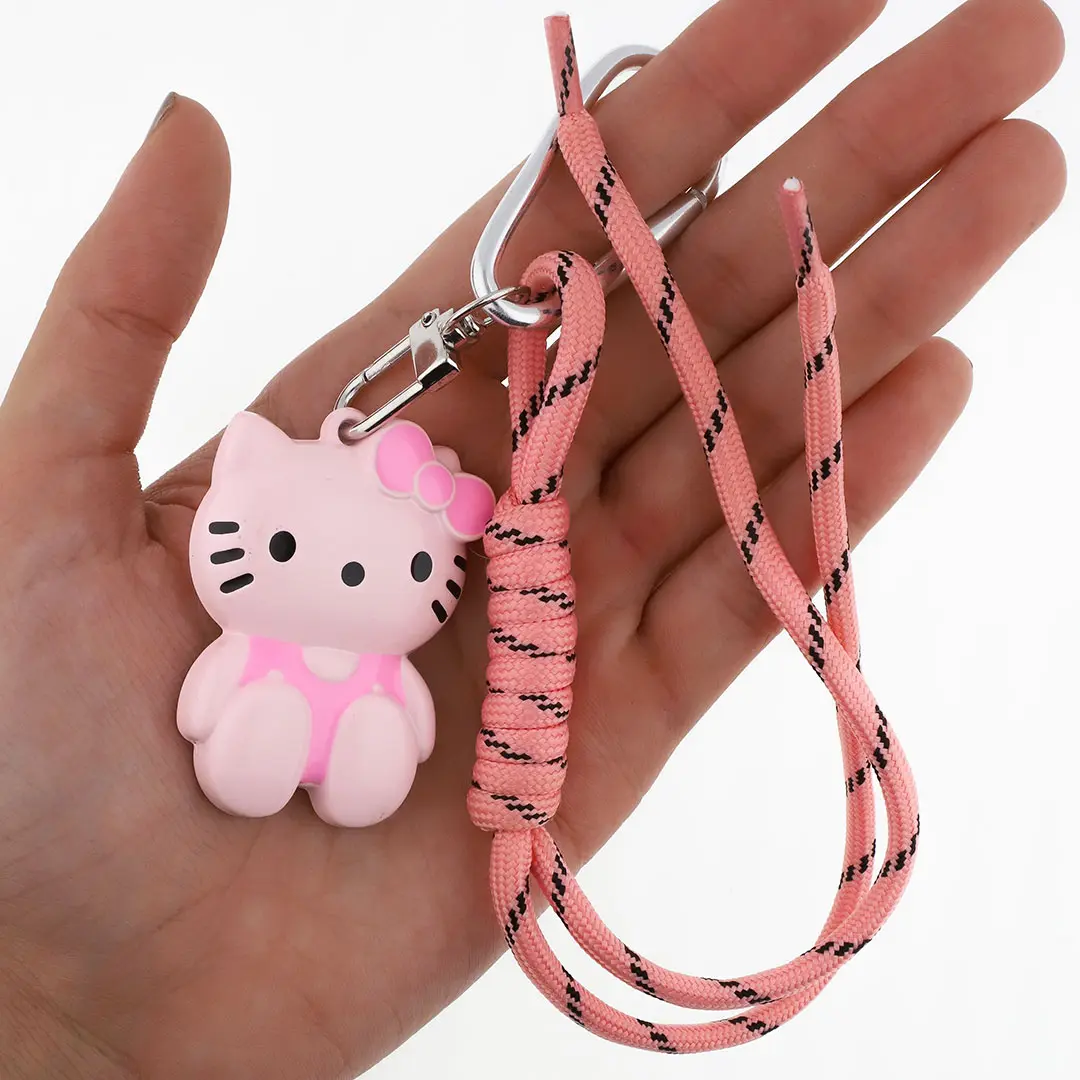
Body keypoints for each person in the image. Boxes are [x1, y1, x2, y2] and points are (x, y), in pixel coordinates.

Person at [0, 0, 1065, 1076]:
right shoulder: (256, 628)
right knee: (274, 727)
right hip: (273, 720)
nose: (338, 573)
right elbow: (211, 698)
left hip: (377, 728)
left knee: (376, 740)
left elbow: (414, 715)